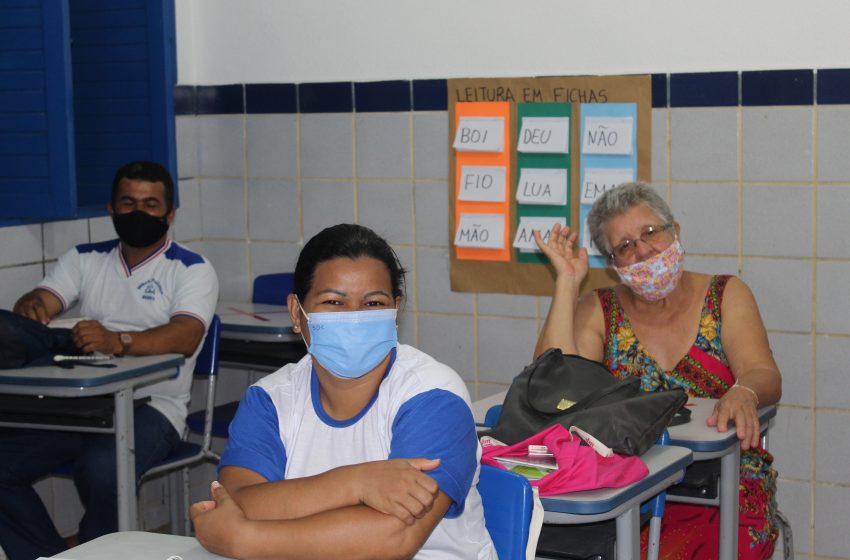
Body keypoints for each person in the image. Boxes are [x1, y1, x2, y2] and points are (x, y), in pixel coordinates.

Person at [190, 224, 495, 559]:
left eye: (373, 303)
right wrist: (356, 483)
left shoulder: (433, 395)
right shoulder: (270, 400)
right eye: (334, 301)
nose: (354, 319)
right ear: (296, 312)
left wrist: (246, 539)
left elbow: (393, 537)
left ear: (395, 310)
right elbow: (238, 501)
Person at [533, 182, 781, 559]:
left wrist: (744, 392)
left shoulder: (726, 294)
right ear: (613, 265)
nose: (643, 250)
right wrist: (567, 283)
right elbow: (555, 389)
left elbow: (763, 373)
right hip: (630, 487)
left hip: (725, 485)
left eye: (650, 232)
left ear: (675, 231)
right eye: (625, 246)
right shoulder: (599, 308)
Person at [0, 161, 219, 560]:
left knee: (103, 470)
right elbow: (43, 300)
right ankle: (49, 556)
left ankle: (95, 554)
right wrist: (31, 307)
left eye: (150, 205)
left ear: (170, 213)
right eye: (128, 203)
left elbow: (186, 336)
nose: (139, 212)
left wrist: (118, 341)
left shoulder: (191, 268)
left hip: (155, 407)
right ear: (111, 208)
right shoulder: (84, 258)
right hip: (83, 406)